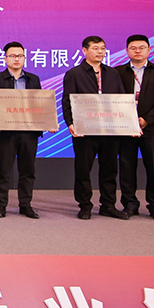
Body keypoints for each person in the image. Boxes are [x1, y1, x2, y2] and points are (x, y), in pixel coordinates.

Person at [62, 35, 128, 220]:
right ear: (84, 50)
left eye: (102, 48)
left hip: (110, 129)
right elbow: (67, 100)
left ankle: (108, 205)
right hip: (85, 129)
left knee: (110, 169)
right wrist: (70, 123)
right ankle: (85, 205)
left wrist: (126, 123)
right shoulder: (74, 73)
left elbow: (121, 99)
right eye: (95, 48)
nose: (100, 52)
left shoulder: (112, 73)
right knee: (83, 169)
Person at [116, 35, 154, 221]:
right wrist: (128, 120)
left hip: (152, 128)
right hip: (125, 128)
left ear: (149, 50)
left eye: (142, 47)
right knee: (126, 167)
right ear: (127, 51)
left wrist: (146, 120)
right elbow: (111, 98)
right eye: (133, 48)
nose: (138, 51)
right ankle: (130, 204)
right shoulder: (118, 72)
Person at [0, 41, 43, 219]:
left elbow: (40, 104)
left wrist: (47, 122)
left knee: (27, 171)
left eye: (20, 56)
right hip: (5, 133)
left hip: (29, 133)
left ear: (24, 58)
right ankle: (1, 205)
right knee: (3, 170)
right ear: (5, 58)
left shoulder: (33, 79)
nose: (16, 59)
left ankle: (25, 205)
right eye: (12, 56)